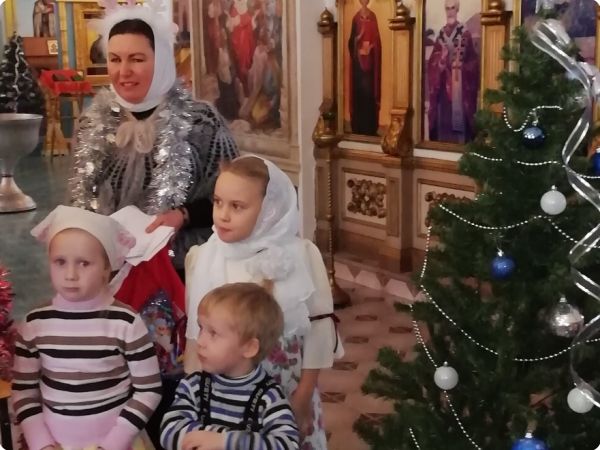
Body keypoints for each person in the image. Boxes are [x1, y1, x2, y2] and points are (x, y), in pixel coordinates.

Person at [68, 3, 238, 445]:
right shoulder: (93, 122)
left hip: (181, 279)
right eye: (115, 58)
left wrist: (183, 215)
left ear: (161, 60)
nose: (123, 71)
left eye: (137, 58)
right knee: (119, 389)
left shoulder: (201, 122)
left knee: (174, 388)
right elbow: (81, 198)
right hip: (112, 280)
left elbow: (235, 198)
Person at [184, 156, 344, 449]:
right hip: (225, 400)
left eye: (237, 206)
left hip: (289, 390)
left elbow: (319, 332)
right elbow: (196, 340)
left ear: (270, 210)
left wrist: (303, 396)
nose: (223, 215)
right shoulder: (202, 258)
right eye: (218, 202)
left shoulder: (302, 256)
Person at [12, 205, 162, 450]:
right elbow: (24, 391)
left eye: (84, 263)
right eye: (60, 262)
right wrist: (42, 443)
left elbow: (149, 389)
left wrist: (113, 443)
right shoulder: (34, 324)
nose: (70, 274)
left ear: (106, 268)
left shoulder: (126, 322)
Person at [160, 282, 299, 450]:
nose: (201, 341)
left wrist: (225, 441)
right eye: (201, 328)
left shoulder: (269, 397)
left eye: (213, 333)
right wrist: (213, 437)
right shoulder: (193, 385)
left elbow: (287, 445)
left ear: (249, 348)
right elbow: (168, 432)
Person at [426, 0, 479, 144]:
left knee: (459, 124)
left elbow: (473, 63)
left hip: (460, 89)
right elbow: (432, 63)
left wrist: (462, 68)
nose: (450, 11)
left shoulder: (465, 34)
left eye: (453, 8)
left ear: (457, 10)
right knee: (443, 122)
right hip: (443, 89)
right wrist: (440, 62)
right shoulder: (441, 35)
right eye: (447, 8)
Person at [347, 0, 381, 136]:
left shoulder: (373, 17)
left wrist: (372, 47)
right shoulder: (356, 18)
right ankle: (358, 126)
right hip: (358, 67)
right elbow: (351, 42)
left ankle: (370, 127)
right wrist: (358, 39)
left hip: (371, 65)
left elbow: (377, 41)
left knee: (369, 93)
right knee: (360, 94)